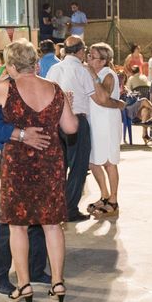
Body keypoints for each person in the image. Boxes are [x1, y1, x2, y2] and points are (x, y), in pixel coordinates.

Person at [0, 40, 79, 302]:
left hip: (18, 163)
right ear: (35, 62)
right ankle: (57, 282)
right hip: (50, 162)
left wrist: (1, 76)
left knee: (18, 227)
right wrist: (66, 105)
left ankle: (24, 285)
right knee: (52, 226)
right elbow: (71, 128)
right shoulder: (55, 89)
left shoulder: (6, 89)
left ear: (11, 65)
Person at [0, 104, 52, 296]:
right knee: (10, 220)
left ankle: (35, 270)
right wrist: (22, 134)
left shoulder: (41, 86)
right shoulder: (4, 89)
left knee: (39, 216)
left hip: (39, 158)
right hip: (13, 158)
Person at [45, 36, 95, 222]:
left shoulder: (53, 69)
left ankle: (55, 205)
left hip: (56, 122)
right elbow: (94, 96)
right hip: (76, 121)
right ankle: (69, 208)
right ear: (81, 51)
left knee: (59, 166)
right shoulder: (82, 71)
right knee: (78, 166)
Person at [84, 42, 125, 217]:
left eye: (92, 57)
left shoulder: (108, 74)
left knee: (109, 162)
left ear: (103, 61)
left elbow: (103, 99)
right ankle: (104, 195)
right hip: (94, 122)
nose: (88, 59)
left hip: (107, 123)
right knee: (93, 161)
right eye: (88, 55)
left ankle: (114, 200)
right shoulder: (91, 73)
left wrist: (92, 75)